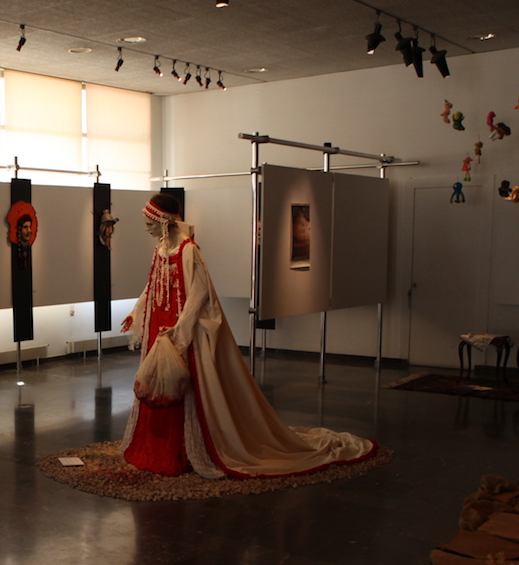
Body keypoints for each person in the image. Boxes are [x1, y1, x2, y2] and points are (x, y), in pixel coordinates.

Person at [120, 193, 376, 478]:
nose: (147, 229)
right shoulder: (161, 249)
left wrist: (181, 329)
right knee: (157, 380)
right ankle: (157, 446)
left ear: (164, 221)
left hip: (180, 326)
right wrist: (137, 311)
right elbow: (152, 283)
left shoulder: (188, 250)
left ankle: (190, 449)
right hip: (159, 322)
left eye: (150, 223)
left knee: (185, 383)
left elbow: (200, 292)